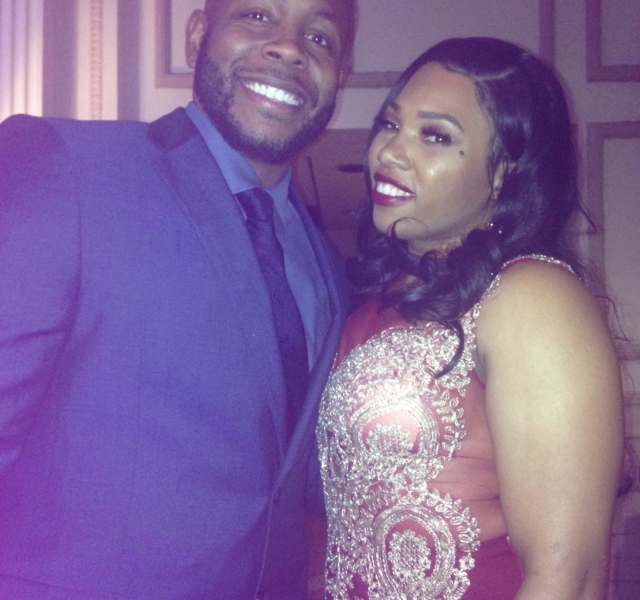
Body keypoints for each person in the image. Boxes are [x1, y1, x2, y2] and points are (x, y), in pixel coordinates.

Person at [0, 0, 356, 598]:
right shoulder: (68, 166)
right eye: (258, 16)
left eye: (319, 37)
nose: (290, 47)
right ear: (196, 36)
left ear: (339, 78)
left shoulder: (330, 272)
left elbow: (299, 476)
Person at [316, 37, 624, 599]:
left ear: (503, 171)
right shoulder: (377, 300)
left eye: (435, 136)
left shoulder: (532, 295)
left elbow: (568, 579)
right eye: (391, 124)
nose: (389, 151)